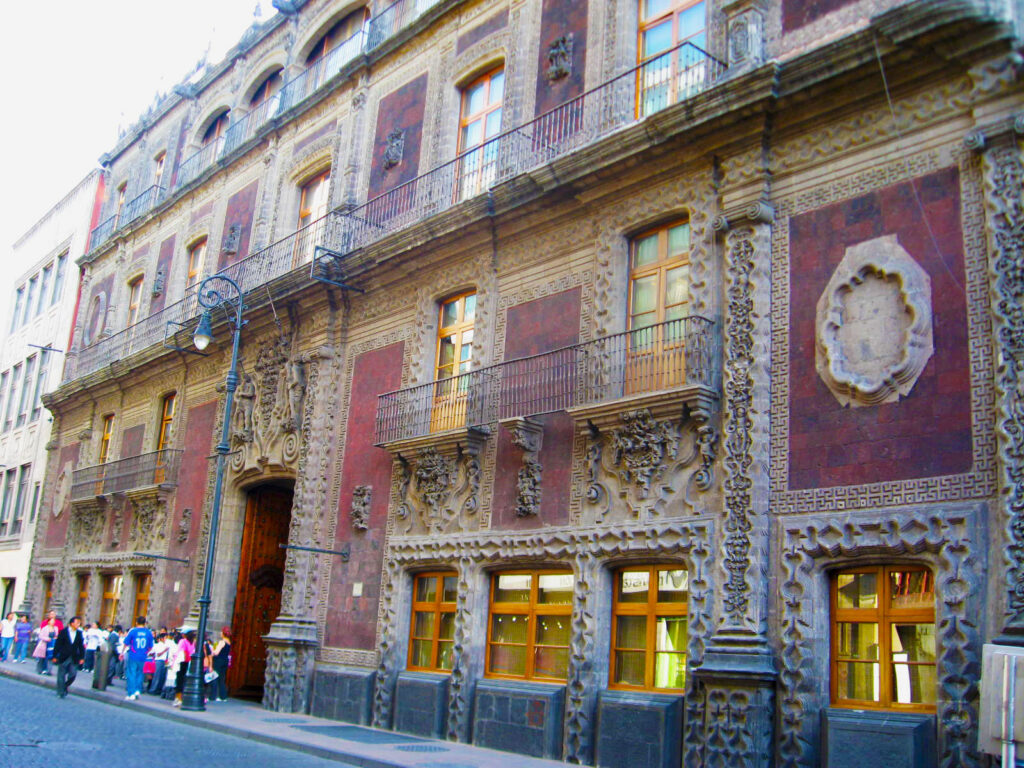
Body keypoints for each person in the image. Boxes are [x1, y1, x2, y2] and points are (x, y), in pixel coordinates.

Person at [52, 616, 85, 699]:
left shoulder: (79, 633)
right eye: (77, 622)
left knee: (73, 674)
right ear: (72, 623)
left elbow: (81, 646)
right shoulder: (63, 632)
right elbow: (58, 644)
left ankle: (65, 686)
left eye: (79, 623)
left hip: (74, 657)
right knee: (61, 674)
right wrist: (55, 655)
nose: (78, 624)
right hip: (64, 656)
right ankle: (60, 691)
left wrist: (82, 657)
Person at [123, 616, 154, 700]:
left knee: (131, 673)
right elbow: (151, 646)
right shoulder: (148, 632)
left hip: (133, 654)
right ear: (145, 623)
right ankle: (137, 690)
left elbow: (126, 642)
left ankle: (131, 692)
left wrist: (122, 652)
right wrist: (145, 652)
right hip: (143, 655)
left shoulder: (133, 631)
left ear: (136, 622)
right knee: (140, 673)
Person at [172, 628, 196, 707]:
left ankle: (178, 698)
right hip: (188, 662)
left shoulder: (183, 641)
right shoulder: (193, 643)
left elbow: (179, 651)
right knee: (184, 680)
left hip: (181, 662)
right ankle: (181, 698)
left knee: (179, 680)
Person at [210, 627, 231, 702]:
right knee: (222, 679)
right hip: (225, 660)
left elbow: (216, 652)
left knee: (214, 677)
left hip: (218, 661)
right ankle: (223, 696)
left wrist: (212, 651)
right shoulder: (229, 642)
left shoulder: (222, 642)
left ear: (223, 633)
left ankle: (213, 695)